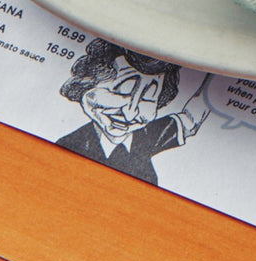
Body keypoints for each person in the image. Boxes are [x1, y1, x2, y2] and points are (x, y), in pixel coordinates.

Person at [56, 38, 208, 184]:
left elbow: (191, 120)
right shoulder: (69, 145)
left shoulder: (146, 137)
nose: (130, 113)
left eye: (147, 99)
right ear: (86, 87)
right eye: (121, 93)